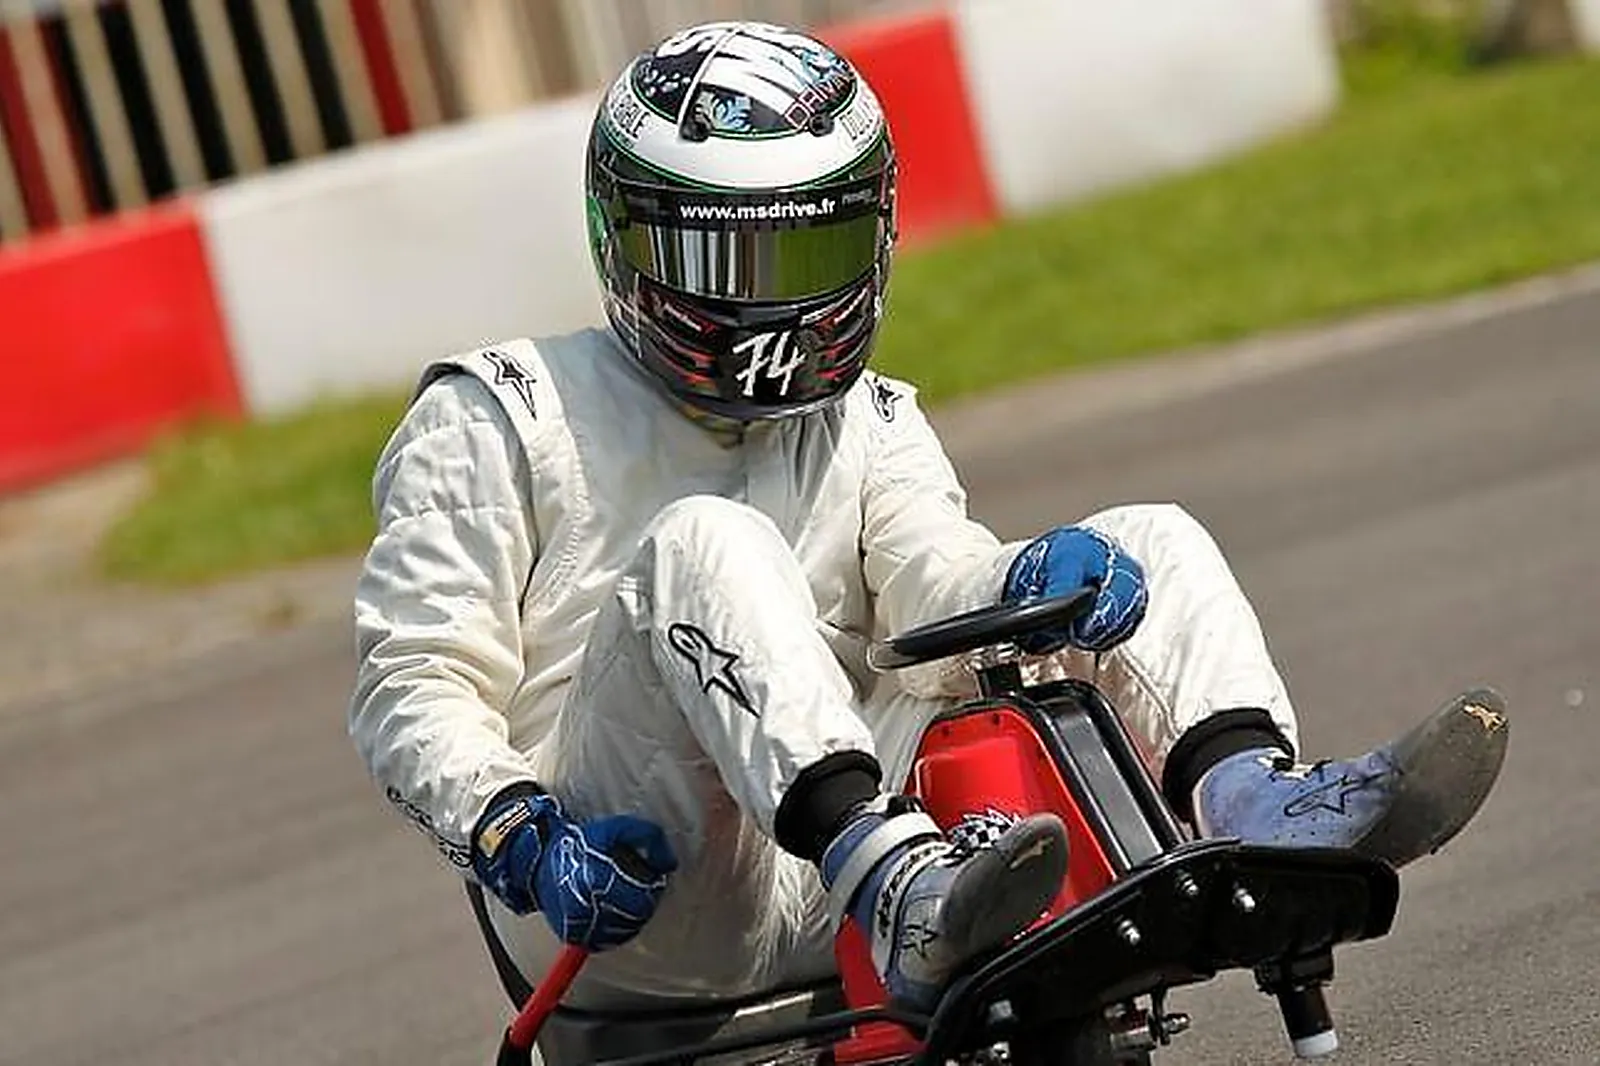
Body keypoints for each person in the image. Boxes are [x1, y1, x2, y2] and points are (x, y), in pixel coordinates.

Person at [348, 21, 1507, 1017]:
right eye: (728, 256)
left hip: (870, 850)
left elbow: (928, 591)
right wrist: (517, 833)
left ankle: (1256, 809)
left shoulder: (868, 416)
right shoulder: (500, 414)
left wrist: (1028, 578)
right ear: (631, 243)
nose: (781, 304)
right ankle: (897, 883)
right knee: (708, 543)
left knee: (1144, 528)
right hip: (624, 888)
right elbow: (410, 687)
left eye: (813, 248)